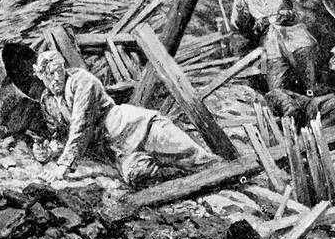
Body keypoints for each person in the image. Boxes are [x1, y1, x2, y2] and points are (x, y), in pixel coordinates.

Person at [31, 49, 218, 188]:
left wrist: (62, 167)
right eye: (49, 74)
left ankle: (228, 176)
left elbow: (81, 126)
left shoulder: (82, 81)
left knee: (198, 159)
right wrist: (49, 150)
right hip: (118, 151)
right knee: (137, 175)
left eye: (58, 71)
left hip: (142, 129)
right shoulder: (47, 101)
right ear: (40, 75)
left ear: (64, 68)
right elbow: (60, 133)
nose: (55, 78)